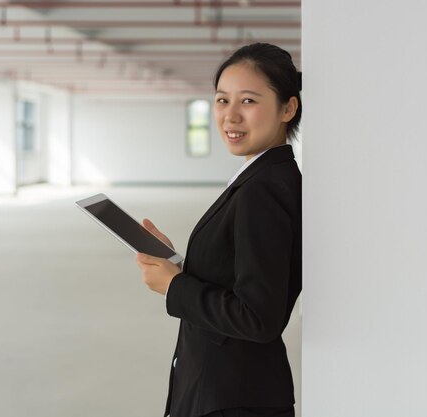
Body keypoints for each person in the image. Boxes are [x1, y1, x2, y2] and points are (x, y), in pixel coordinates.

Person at [135, 43, 302, 417]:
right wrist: (178, 265)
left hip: (232, 397)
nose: (231, 117)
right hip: (230, 388)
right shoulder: (262, 177)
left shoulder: (263, 189)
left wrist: (174, 285)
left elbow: (259, 317)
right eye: (222, 100)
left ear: (287, 108)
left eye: (248, 101)